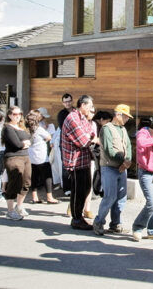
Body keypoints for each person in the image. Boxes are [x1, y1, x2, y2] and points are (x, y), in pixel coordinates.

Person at [93, 104, 133, 236]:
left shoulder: (123, 129)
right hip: (109, 167)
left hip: (121, 168)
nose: (127, 119)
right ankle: (99, 222)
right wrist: (124, 161)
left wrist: (128, 161)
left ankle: (115, 224)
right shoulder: (107, 129)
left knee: (121, 198)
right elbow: (109, 150)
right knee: (110, 197)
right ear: (118, 115)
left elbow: (128, 146)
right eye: (125, 117)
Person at [61, 94, 95, 230]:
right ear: (83, 105)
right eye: (90, 106)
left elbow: (91, 133)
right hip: (75, 161)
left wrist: (90, 137)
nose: (92, 109)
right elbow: (84, 141)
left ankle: (79, 215)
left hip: (84, 160)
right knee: (79, 190)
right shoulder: (73, 118)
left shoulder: (82, 118)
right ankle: (76, 218)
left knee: (86, 187)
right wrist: (90, 138)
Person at [132, 114, 153, 242]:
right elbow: (141, 143)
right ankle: (137, 227)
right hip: (145, 172)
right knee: (151, 203)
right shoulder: (144, 132)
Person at [1, 106, 32, 221]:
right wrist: (24, 144)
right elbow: (17, 144)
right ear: (9, 115)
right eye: (14, 114)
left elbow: (30, 139)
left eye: (19, 113)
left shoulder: (21, 127)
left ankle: (19, 206)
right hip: (13, 157)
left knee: (26, 182)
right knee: (15, 182)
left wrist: (25, 143)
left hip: (25, 156)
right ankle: (10, 211)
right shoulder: (8, 128)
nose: (17, 116)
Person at [26, 110, 58, 205]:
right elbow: (48, 137)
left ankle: (34, 196)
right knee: (47, 176)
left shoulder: (27, 128)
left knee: (34, 176)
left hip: (31, 155)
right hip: (41, 156)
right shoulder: (38, 128)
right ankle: (49, 196)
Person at [58, 93, 74, 195]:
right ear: (63, 103)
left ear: (72, 101)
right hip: (65, 143)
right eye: (65, 102)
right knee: (66, 165)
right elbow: (63, 128)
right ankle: (67, 188)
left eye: (69, 101)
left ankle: (74, 186)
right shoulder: (61, 114)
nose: (67, 103)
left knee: (75, 165)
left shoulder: (76, 111)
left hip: (76, 143)